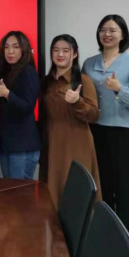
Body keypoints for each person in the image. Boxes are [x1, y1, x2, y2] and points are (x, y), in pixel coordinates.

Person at [82, 14, 129, 241]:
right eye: (103, 30)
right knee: (102, 189)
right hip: (96, 132)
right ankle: (105, 240)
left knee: (124, 190)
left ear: (123, 35)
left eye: (112, 30)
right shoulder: (89, 63)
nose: (107, 34)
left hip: (122, 133)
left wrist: (120, 89)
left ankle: (127, 244)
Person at [39, 34, 100, 207]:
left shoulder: (83, 81)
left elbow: (94, 115)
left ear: (75, 54)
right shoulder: (46, 82)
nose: (60, 54)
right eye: (56, 50)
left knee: (75, 190)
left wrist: (77, 102)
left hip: (77, 143)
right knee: (51, 191)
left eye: (66, 50)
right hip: (51, 141)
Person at [0, 30, 40, 180]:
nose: (10, 51)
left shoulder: (28, 72)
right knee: (9, 190)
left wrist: (7, 94)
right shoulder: (6, 72)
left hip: (22, 146)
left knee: (20, 192)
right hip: (8, 143)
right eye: (6, 47)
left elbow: (27, 107)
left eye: (16, 47)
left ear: (24, 49)